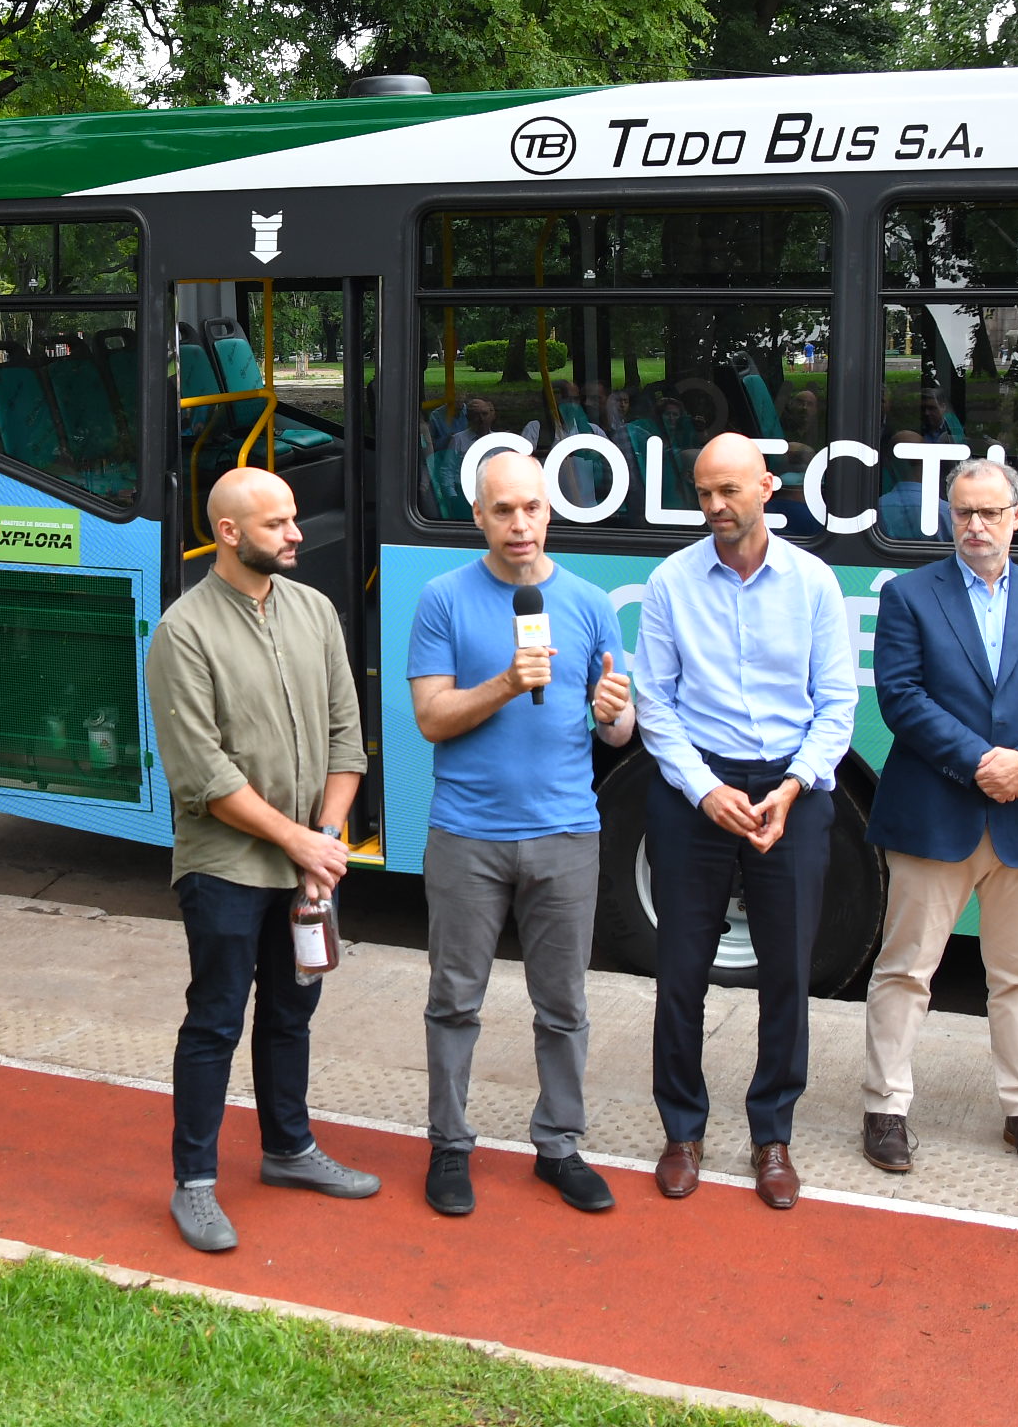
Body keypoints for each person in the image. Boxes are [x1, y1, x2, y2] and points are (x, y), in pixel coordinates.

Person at [145, 465, 379, 1252]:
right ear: (231, 533)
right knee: (215, 1021)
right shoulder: (183, 632)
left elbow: (348, 738)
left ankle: (288, 1150)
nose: (297, 533)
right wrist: (299, 841)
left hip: (309, 861)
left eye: (293, 519)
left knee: (292, 1014)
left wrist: (327, 839)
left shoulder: (314, 611)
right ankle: (196, 1184)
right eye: (278, 523)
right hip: (225, 869)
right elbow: (203, 777)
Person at [633, 434, 857, 1210]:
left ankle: (772, 1136)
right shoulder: (670, 583)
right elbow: (654, 704)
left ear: (768, 485)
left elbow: (837, 706)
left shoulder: (815, 583)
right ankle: (683, 1131)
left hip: (791, 789)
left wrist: (793, 788)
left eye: (729, 490)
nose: (716, 508)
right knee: (681, 972)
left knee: (789, 973)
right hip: (696, 790)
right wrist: (703, 791)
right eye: (703, 494)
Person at [408, 451, 635, 1218]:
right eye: (503, 509)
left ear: (550, 512)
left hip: (568, 833)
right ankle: (449, 1144)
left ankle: (560, 1145)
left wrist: (613, 712)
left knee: (563, 1004)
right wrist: (509, 680)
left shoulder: (592, 602)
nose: (519, 524)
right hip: (466, 835)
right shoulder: (441, 599)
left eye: (532, 508)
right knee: (453, 999)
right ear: (479, 516)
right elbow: (432, 718)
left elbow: (617, 729)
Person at [861, 460, 1018, 1177]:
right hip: (934, 814)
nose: (975, 527)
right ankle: (886, 1109)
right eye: (964, 512)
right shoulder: (908, 595)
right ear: (948, 516)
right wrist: (980, 761)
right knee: (906, 970)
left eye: (990, 513)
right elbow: (900, 697)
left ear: (1017, 518)